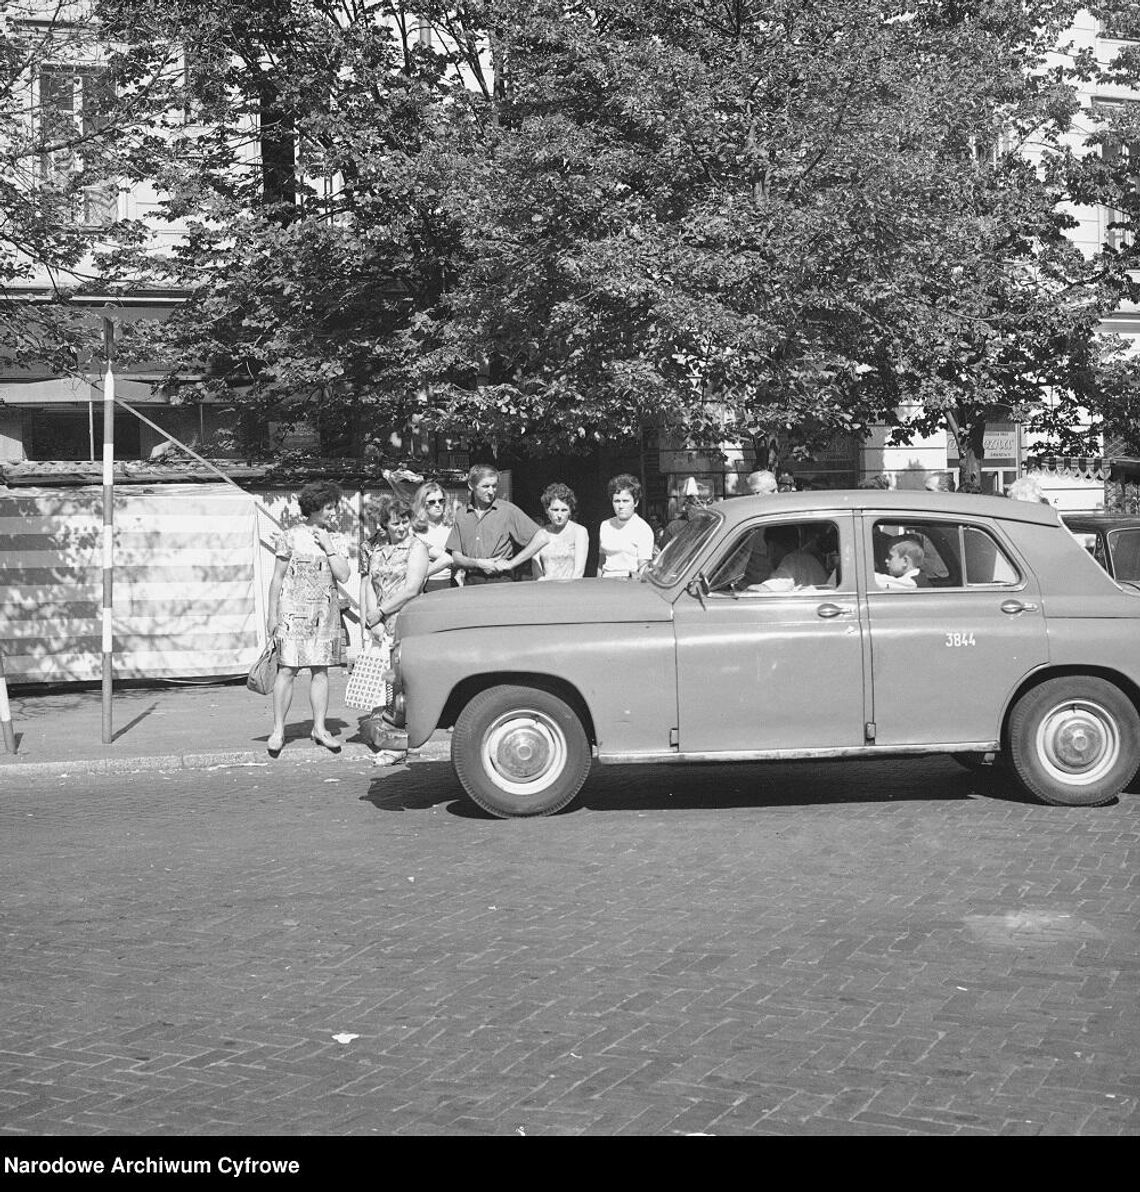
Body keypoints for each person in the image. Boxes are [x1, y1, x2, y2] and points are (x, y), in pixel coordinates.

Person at [266, 481, 352, 757]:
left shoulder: (336, 539)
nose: (334, 512)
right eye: (330, 507)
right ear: (314, 507)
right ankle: (278, 730)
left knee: (321, 670)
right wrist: (272, 615)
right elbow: (277, 579)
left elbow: (344, 575)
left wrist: (328, 546)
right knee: (287, 670)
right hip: (292, 614)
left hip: (325, 615)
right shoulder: (290, 537)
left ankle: (319, 728)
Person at [446, 464, 550, 585]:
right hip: (471, 581)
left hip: (501, 580)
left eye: (494, 486)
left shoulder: (507, 510)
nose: (491, 491)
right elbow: (456, 557)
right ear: (471, 486)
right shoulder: (462, 514)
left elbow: (542, 538)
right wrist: (478, 563)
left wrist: (512, 563)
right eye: (486, 486)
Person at [598, 473, 655, 579]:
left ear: (636, 502)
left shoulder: (643, 529)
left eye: (625, 501)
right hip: (605, 582)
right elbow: (602, 561)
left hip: (628, 583)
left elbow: (643, 567)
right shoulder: (605, 525)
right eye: (617, 501)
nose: (620, 506)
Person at [411, 481, 462, 591]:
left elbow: (456, 559)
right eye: (432, 502)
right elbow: (447, 559)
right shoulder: (413, 530)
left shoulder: (452, 526)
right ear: (422, 504)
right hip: (425, 584)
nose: (437, 505)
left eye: (441, 501)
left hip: (450, 582)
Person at [746, 524, 828, 592]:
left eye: (768, 549)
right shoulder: (810, 559)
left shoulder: (792, 561)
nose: (769, 557)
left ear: (772, 547)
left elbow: (766, 590)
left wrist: (743, 592)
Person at [532, 482, 589, 580]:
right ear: (547, 510)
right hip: (545, 588)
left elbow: (579, 571)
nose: (559, 515)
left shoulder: (579, 532)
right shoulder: (541, 532)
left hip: (569, 588)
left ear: (570, 511)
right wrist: (541, 582)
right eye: (555, 510)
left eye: (564, 510)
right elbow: (535, 563)